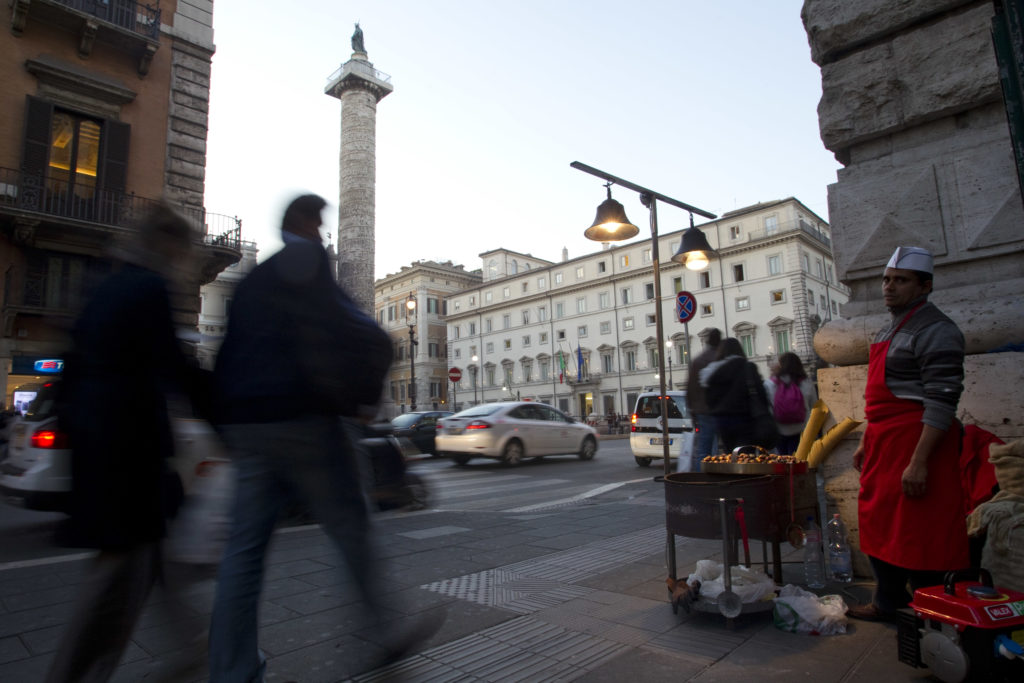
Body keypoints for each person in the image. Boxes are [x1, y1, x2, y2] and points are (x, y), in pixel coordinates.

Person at [208, 194, 435, 682]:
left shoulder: (250, 284)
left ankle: (231, 670)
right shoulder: (309, 260)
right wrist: (364, 395)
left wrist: (225, 428)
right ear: (309, 225)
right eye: (319, 222)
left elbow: (226, 357)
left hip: (248, 428)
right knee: (352, 530)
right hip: (307, 420)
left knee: (243, 555)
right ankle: (384, 632)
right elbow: (360, 330)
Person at [45, 204, 203, 683]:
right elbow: (175, 369)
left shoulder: (106, 282)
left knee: (148, 559)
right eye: (181, 251)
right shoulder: (148, 287)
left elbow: (69, 364)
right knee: (117, 573)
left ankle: (193, 650)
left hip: (101, 445)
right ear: (169, 246)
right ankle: (75, 673)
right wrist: (229, 412)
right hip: (127, 450)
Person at [847, 246, 969, 621]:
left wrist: (919, 462)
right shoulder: (891, 327)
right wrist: (868, 438)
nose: (889, 287)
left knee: (919, 530)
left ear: (924, 286)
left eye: (900, 280)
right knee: (878, 522)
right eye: (886, 279)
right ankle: (888, 601)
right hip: (884, 443)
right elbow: (879, 396)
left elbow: (941, 401)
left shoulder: (938, 330)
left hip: (917, 442)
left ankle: (931, 609)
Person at [700, 337, 771, 452]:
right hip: (746, 418)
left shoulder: (713, 371)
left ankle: (732, 468)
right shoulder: (748, 367)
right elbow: (761, 392)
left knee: (729, 451)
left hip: (723, 420)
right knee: (747, 452)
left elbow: (709, 398)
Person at [764, 352, 817, 455]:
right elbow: (814, 407)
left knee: (781, 462)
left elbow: (767, 408)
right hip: (802, 429)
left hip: (778, 429)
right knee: (798, 462)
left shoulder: (769, 384)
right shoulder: (806, 383)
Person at [687, 328, 722, 462]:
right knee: (727, 449)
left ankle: (701, 478)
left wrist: (692, 410)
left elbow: (690, 387)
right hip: (721, 409)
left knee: (703, 450)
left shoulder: (698, 360)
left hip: (702, 410)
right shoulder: (722, 359)